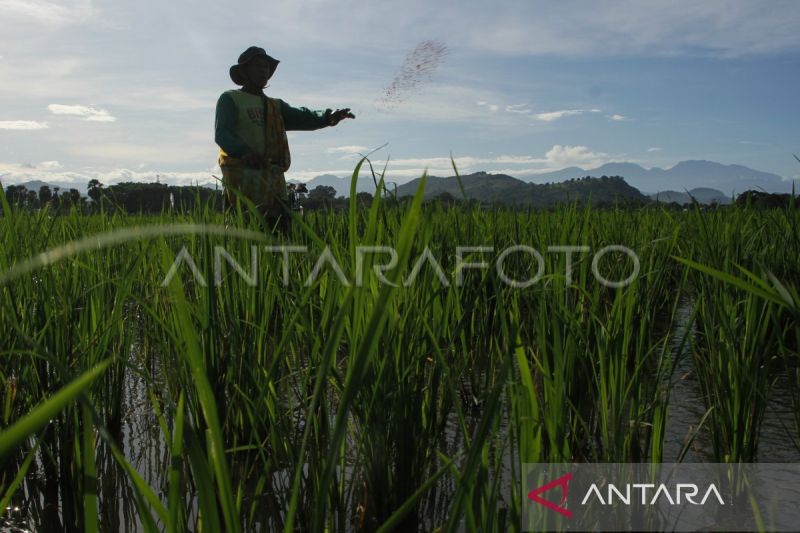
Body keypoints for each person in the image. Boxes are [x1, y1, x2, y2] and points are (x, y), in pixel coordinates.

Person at [215, 46, 354, 233]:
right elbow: (223, 134)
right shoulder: (230, 99)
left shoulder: (275, 106)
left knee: (278, 227)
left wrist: (328, 116)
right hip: (243, 175)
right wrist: (245, 152)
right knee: (245, 227)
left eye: (267, 67)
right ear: (244, 71)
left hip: (272, 176)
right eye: (258, 66)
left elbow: (303, 116)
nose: (264, 70)